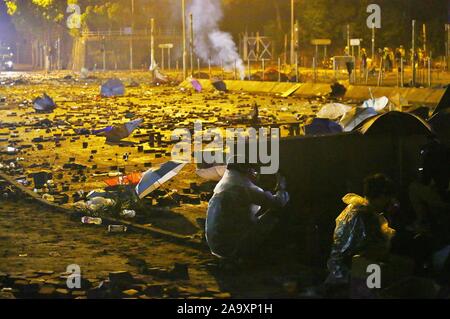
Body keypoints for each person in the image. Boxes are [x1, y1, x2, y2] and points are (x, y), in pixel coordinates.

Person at [205, 156, 290, 260]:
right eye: (253, 170)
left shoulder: (223, 188)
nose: (255, 173)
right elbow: (278, 202)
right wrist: (281, 187)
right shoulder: (243, 190)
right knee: (275, 212)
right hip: (234, 248)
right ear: (246, 170)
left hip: (217, 247)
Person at [326, 174, 397, 285]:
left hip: (339, 269)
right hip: (356, 271)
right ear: (382, 196)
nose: (388, 202)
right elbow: (376, 250)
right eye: (387, 198)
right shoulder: (368, 217)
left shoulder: (354, 208)